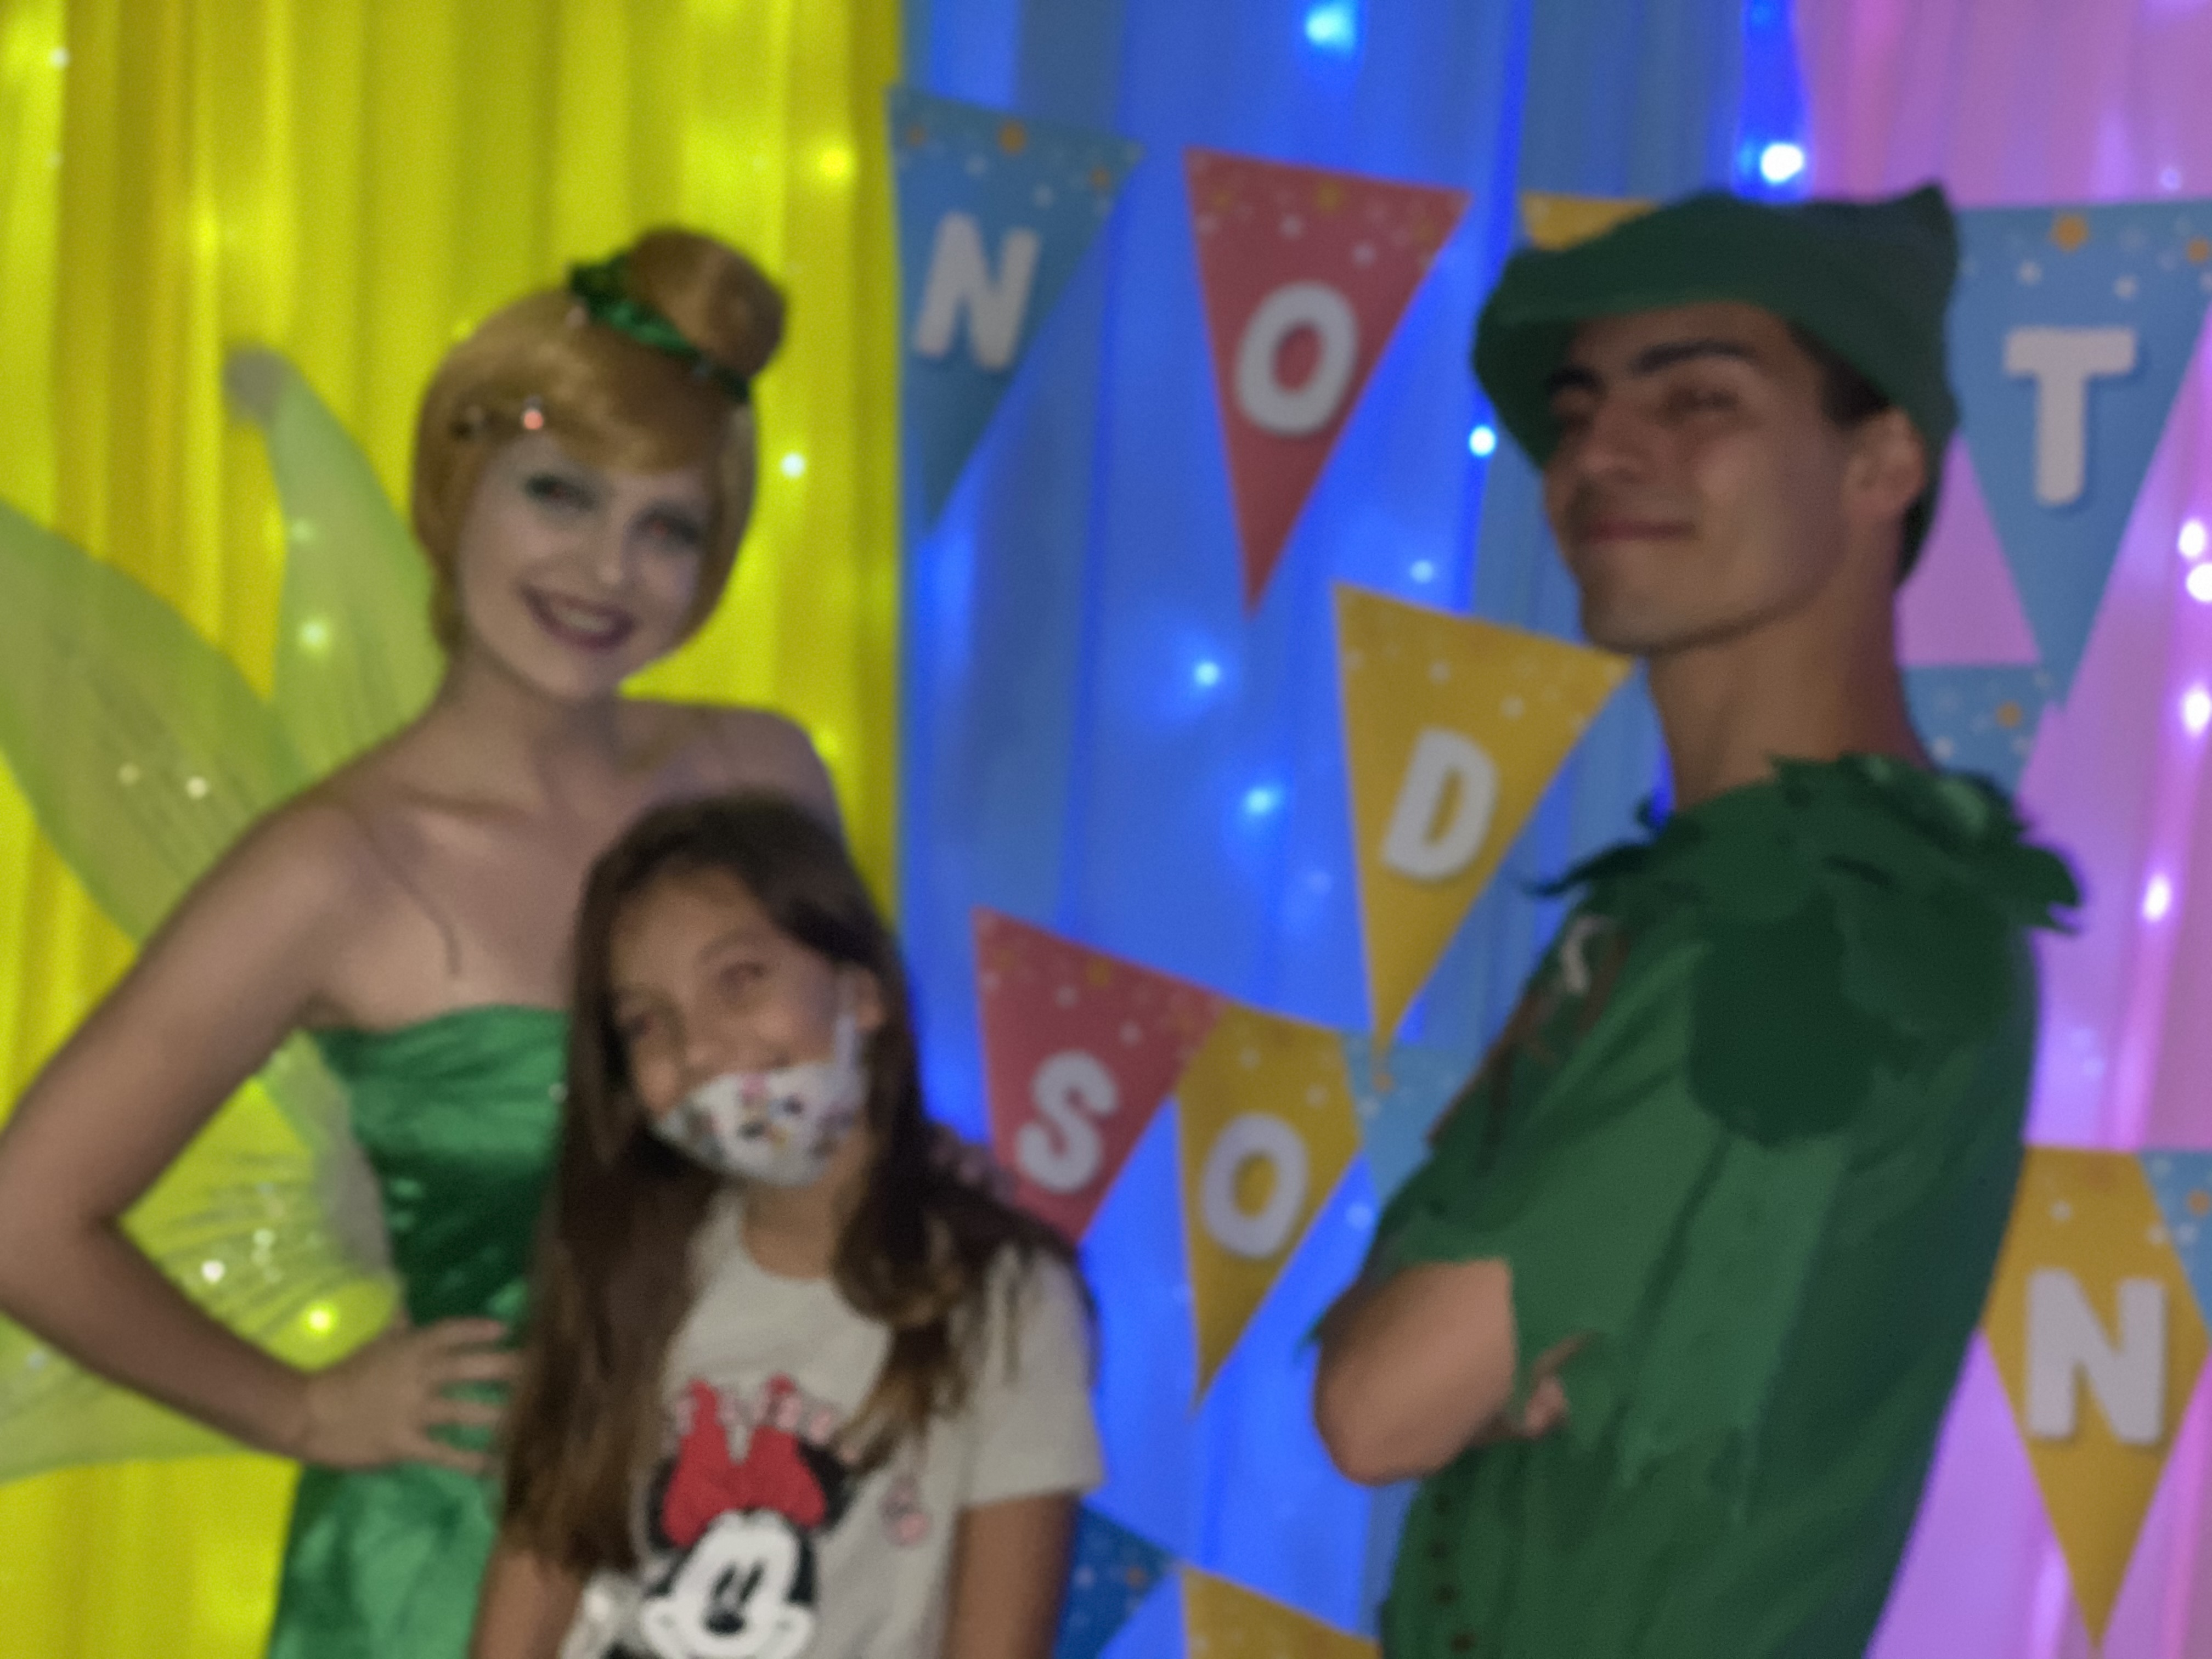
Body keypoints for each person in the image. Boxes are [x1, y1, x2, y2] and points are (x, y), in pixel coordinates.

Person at [0, 229, 841, 1658]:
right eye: (561, 493)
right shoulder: (334, 867)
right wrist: (302, 1408)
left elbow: (855, 1133)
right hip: (446, 1571)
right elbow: (28, 1217)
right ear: (459, 487)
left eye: (668, 527)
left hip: (758, 1542)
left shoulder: (761, 777)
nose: (606, 567)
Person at [1312, 185, 2079, 1658]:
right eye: (1579, 409)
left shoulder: (1823, 928)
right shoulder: (1704, 894)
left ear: (1884, 462)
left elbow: (1374, 1406)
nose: (1599, 453)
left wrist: (1425, 1310)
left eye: (1699, 399)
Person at [469, 793, 1100, 1659]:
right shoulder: (635, 1266)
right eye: (646, 1022)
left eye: (739, 979)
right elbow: (539, 1571)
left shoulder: (1006, 1299)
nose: (697, 1047)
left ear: (861, 990)